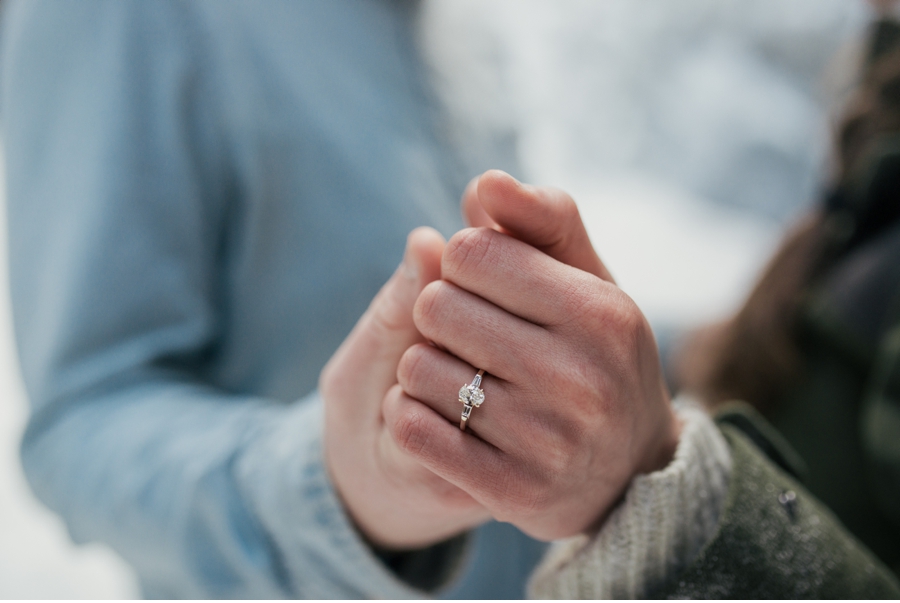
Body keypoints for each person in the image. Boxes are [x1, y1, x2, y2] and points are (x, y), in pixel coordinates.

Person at [4, 1, 899, 600]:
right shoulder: (120, 17)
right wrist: (334, 488)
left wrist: (671, 342)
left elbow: (481, 306)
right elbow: (84, 414)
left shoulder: (452, 26)